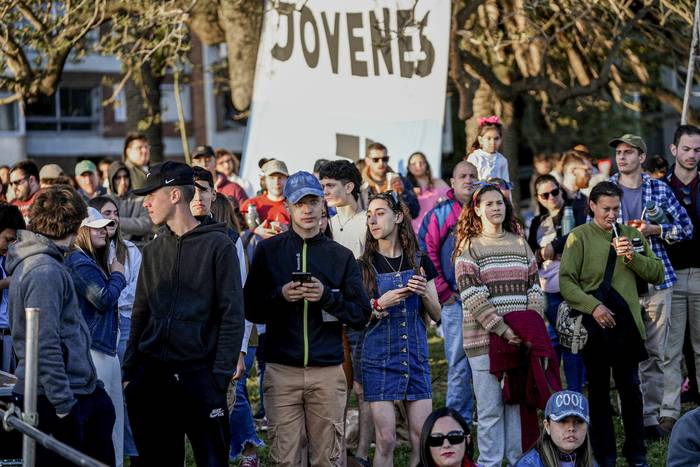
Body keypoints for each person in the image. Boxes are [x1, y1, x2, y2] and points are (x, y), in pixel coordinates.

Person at [122, 161, 245, 466]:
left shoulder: (220, 245)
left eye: (151, 194)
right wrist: (130, 374)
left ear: (175, 195)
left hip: (201, 379)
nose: (145, 203)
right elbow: (141, 314)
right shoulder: (151, 251)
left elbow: (233, 315)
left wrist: (217, 379)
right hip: (152, 380)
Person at [244, 171, 371, 466]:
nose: (308, 209)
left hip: (327, 371)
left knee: (327, 459)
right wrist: (281, 295)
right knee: (285, 459)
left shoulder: (340, 255)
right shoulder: (268, 251)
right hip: (280, 369)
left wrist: (327, 296)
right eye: (300, 202)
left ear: (322, 204)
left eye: (314, 201)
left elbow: (361, 315)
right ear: (287, 206)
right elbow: (250, 308)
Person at [6, 185, 115, 466]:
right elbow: (44, 344)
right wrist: (65, 408)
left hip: (70, 390)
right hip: (56, 397)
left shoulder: (46, 263)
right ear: (75, 223)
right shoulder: (45, 270)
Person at [559, 181, 664, 467]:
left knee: (631, 389)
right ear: (591, 206)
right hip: (594, 326)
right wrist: (593, 307)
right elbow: (566, 283)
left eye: (616, 208)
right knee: (599, 393)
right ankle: (604, 455)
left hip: (627, 325)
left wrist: (633, 256)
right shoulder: (578, 237)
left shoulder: (631, 234)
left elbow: (657, 273)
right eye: (606, 209)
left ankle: (637, 453)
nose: (611, 214)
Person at [608, 134, 694, 440]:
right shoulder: (607, 189)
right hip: (621, 284)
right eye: (619, 152)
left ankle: (658, 418)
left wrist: (655, 229)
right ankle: (635, 414)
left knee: (659, 353)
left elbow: (686, 228)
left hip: (658, 281)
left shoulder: (659, 188)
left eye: (629, 152)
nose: (622, 157)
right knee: (628, 353)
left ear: (641, 157)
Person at [454, 183, 544, 466]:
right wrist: (502, 329)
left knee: (516, 406)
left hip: (519, 342)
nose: (496, 208)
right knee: (491, 409)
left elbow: (535, 288)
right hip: (484, 341)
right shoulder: (469, 247)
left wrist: (528, 328)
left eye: (500, 203)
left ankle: (519, 461)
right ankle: (490, 462)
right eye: (489, 204)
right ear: (478, 209)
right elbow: (471, 295)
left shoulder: (520, 243)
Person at [359, 191, 441, 467]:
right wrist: (380, 305)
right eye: (369, 214)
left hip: (415, 356)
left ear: (397, 217)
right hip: (379, 359)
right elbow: (357, 319)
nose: (373, 219)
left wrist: (424, 293)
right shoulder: (364, 266)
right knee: (386, 439)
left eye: (380, 212)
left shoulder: (419, 260)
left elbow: (437, 313)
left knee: (422, 436)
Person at [417, 161, 478, 428]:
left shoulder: (486, 208)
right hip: (455, 300)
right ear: (451, 182)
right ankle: (457, 425)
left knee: (490, 363)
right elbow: (425, 252)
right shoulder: (440, 215)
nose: (468, 180)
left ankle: (486, 418)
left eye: (473, 175)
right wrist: (442, 290)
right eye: (462, 176)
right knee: (458, 364)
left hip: (488, 300)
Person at [65, 207, 128, 466]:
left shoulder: (88, 260)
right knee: (103, 425)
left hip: (103, 349)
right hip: (94, 351)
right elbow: (102, 299)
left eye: (106, 226)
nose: (105, 231)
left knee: (112, 421)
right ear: (82, 231)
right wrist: (118, 275)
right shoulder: (79, 261)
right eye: (97, 226)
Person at [88, 195, 142, 465]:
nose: (113, 218)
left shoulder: (131, 250)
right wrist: (116, 288)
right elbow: (104, 294)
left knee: (128, 393)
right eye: (106, 213)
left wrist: (115, 286)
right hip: (104, 328)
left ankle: (132, 453)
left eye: (115, 212)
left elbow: (136, 291)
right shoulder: (91, 252)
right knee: (108, 395)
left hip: (127, 325)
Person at [527, 175, 587, 392]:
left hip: (573, 286)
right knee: (559, 342)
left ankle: (574, 392)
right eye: (545, 194)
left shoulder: (575, 210)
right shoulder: (536, 222)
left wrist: (553, 247)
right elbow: (531, 254)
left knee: (571, 342)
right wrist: (545, 253)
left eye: (555, 191)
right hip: (548, 290)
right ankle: (556, 393)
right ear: (538, 198)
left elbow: (578, 236)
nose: (551, 197)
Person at [661, 124, 700, 433]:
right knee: (670, 349)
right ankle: (669, 411)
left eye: (697, 150)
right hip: (670, 276)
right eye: (686, 149)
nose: (691, 155)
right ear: (674, 150)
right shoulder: (661, 189)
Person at [515, 391, 595, 467]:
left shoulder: (590, 462)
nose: (571, 428)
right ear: (547, 426)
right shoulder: (529, 464)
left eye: (579, 421)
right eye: (563, 421)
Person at [360, 142, 420, 218]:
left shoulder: (401, 180)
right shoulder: (360, 185)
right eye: (376, 159)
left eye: (385, 159)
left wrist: (403, 193)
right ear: (367, 161)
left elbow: (415, 213)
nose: (381, 163)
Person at [0, 204, 25, 373]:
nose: (10, 246)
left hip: (12, 336)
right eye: (7, 239)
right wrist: (6, 282)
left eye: (14, 241)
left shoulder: (11, 260)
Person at [241, 159, 291, 239]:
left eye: (280, 177)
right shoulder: (249, 205)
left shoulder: (295, 206)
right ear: (264, 180)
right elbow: (238, 234)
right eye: (272, 178)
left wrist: (288, 232)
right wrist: (255, 231)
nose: (276, 182)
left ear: (287, 179)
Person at [407, 151, 450, 232]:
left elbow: (452, 199)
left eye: (421, 162)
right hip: (414, 232)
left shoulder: (438, 182)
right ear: (408, 167)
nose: (418, 166)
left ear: (426, 165)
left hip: (437, 230)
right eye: (414, 163)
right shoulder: (405, 186)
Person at [466, 115, 509, 182]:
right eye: (488, 138)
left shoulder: (502, 160)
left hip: (496, 192)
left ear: (501, 140)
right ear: (480, 140)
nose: (493, 142)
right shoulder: (475, 157)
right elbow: (468, 181)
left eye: (496, 138)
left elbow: (506, 184)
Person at [9, 160, 41, 225]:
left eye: (17, 182)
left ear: (31, 180)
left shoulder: (47, 201)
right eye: (11, 184)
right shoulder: (12, 204)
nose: (13, 187)